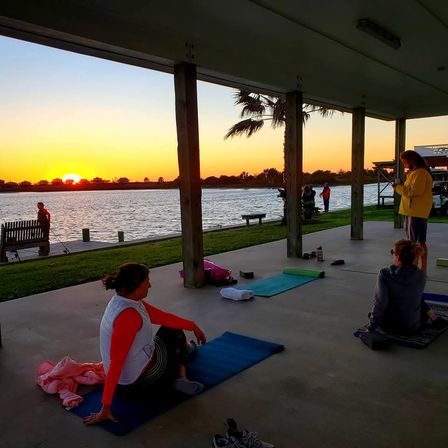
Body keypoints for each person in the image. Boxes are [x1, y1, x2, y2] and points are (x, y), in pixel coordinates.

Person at [83, 263, 207, 426]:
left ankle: (182, 350)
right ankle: (180, 376)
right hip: (138, 385)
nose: (150, 285)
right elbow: (116, 363)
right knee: (176, 335)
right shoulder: (128, 317)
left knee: (173, 329)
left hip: (135, 371)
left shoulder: (124, 301)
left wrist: (192, 325)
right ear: (135, 286)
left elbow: (161, 317)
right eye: (147, 281)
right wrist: (105, 408)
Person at [367, 239, 437, 334]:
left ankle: (431, 315)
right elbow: (415, 296)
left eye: (393, 252)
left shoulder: (385, 274)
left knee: (374, 312)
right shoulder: (421, 275)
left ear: (397, 256)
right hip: (413, 328)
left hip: (389, 327)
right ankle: (432, 316)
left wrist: (371, 328)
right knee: (413, 300)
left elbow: (380, 303)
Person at [393, 150, 433, 272]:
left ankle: (416, 269)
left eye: (404, 161)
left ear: (411, 160)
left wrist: (398, 188)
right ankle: (418, 268)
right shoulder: (415, 172)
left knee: (414, 243)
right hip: (413, 211)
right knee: (417, 242)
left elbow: (414, 192)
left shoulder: (420, 173)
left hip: (415, 212)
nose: (404, 164)